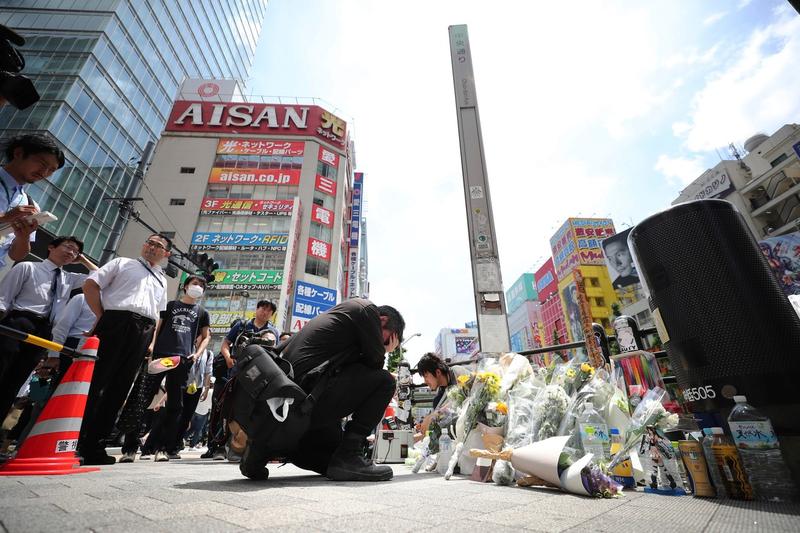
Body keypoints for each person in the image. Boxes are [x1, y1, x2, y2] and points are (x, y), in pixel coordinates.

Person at [265, 298, 404, 482]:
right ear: (383, 320)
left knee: (332, 458)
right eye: (389, 338)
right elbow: (375, 365)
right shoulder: (367, 310)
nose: (386, 344)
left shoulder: (343, 316)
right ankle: (350, 454)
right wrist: (384, 350)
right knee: (385, 381)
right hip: (306, 396)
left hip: (294, 397)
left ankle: (282, 451)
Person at [77, 233, 171, 465]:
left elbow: (158, 315)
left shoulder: (162, 279)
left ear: (166, 254)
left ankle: (96, 445)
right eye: (149, 242)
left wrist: (151, 341)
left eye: (158, 246)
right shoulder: (122, 263)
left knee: (119, 389)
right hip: (115, 322)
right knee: (97, 383)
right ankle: (75, 440)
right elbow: (90, 285)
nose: (152, 248)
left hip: (144, 330)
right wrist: (102, 316)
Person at [0, 236, 95, 419]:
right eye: (68, 247)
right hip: (19, 322)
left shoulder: (68, 278)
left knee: (14, 383)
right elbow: (3, 298)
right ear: (51, 247)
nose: (71, 253)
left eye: (75, 251)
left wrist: (82, 260)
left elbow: (101, 276)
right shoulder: (27, 267)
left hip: (44, 332)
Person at [119, 275, 210, 463]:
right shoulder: (170, 306)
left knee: (175, 405)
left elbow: (206, 336)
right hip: (161, 356)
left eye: (201, 285)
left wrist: (197, 353)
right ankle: (129, 448)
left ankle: (162, 448)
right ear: (185, 287)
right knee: (142, 399)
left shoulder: (202, 312)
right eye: (195, 284)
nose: (198, 287)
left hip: (182, 360)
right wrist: (151, 347)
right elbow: (157, 327)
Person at [0, 133, 65, 270]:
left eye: (51, 170)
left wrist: (23, 237)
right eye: (42, 163)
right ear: (18, 153)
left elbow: (16, 255)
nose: (44, 172)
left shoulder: (30, 204)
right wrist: (5, 218)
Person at [45, 288, 97, 386]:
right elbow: (62, 326)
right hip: (71, 347)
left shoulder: (112, 306)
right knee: (58, 387)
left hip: (92, 351)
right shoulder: (82, 298)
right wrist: (54, 355)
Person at [414, 352, 471, 438]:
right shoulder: (438, 399)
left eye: (426, 376)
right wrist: (425, 425)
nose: (425, 381)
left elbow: (466, 397)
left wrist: (434, 416)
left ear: (437, 372)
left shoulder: (457, 373)